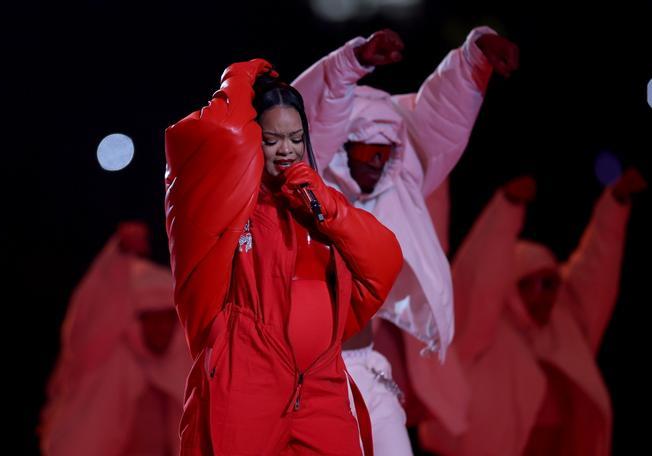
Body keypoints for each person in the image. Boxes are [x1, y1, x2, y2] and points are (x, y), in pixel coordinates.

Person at [291, 27, 519, 453]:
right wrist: (350, 61)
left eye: (385, 149)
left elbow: (436, 121)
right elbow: (307, 120)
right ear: (343, 146)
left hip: (368, 367)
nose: (377, 158)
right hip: (307, 377)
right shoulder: (307, 193)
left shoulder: (396, 193)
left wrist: (474, 59)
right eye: (367, 148)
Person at [164, 59, 403, 455]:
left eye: (295, 138)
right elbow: (215, 131)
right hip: (246, 382)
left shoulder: (317, 203)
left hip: (321, 385)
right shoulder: (224, 206)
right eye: (272, 139)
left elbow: (385, 260)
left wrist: (327, 206)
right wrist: (239, 76)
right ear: (252, 139)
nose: (287, 150)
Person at [418, 169, 646, 455]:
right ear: (513, 286)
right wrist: (507, 209)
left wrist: (615, 204)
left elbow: (597, 270)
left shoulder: (566, 327)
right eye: (532, 283)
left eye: (550, 283)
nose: (544, 293)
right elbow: (479, 277)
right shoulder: (481, 330)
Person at [40, 221, 189, 456]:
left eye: (166, 318)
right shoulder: (105, 361)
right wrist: (118, 254)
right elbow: (90, 319)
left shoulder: (184, 366)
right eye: (152, 318)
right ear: (137, 320)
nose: (160, 328)